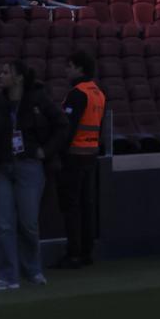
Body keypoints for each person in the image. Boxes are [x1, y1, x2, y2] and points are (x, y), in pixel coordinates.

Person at [0, 62, 62, 291]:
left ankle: (33, 270)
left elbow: (62, 125)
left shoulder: (38, 101)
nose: (0, 76)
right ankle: (7, 275)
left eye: (6, 72)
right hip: (1, 168)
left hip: (29, 166)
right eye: (0, 71)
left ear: (19, 78)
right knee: (3, 224)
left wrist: (46, 150)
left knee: (29, 223)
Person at [57, 50, 107, 269]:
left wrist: (58, 152)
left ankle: (73, 253)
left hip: (75, 155)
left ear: (79, 68)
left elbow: (68, 128)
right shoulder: (99, 93)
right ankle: (86, 252)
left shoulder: (77, 93)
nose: (66, 70)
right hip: (91, 154)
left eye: (69, 66)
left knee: (72, 206)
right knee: (87, 205)